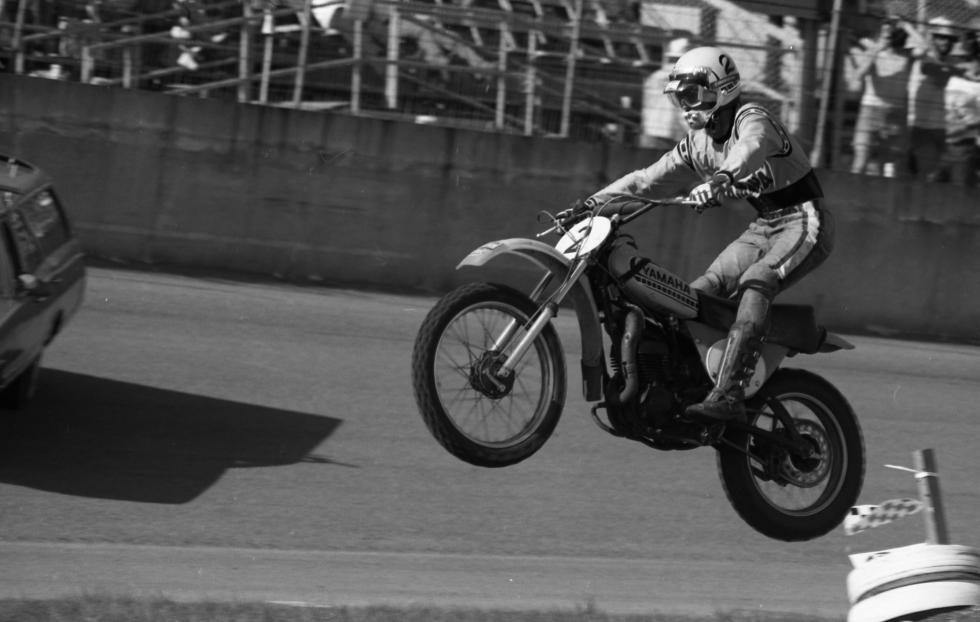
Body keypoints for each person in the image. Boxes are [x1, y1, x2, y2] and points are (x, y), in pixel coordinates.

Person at [572, 46, 834, 423]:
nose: (686, 107)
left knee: (757, 280)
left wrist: (723, 178)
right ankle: (689, 385)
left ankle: (729, 394)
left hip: (805, 219)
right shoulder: (697, 144)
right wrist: (589, 206)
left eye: (692, 95)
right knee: (694, 295)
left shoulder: (752, 118)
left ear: (721, 89)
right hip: (763, 225)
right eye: (681, 98)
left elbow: (751, 149)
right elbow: (646, 182)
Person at [849, 17, 913, 176]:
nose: (887, 35)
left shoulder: (906, 56)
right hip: (870, 110)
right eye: (884, 31)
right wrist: (877, 50)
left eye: (890, 32)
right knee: (861, 159)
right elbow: (858, 75)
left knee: (888, 164)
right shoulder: (873, 52)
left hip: (894, 113)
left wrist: (907, 25)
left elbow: (925, 48)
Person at [907, 16, 963, 181]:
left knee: (937, 176)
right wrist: (907, 27)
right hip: (921, 127)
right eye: (942, 37)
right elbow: (932, 66)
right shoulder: (922, 56)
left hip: (942, 128)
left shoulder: (952, 62)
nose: (946, 42)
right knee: (926, 174)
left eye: (950, 39)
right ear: (932, 37)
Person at [639, 38, 691, 151]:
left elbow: (644, 108)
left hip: (649, 132)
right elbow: (682, 112)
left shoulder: (653, 77)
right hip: (670, 135)